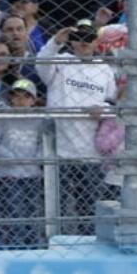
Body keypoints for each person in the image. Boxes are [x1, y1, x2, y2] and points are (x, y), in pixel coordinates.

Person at [36, 19, 117, 236]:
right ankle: (54, 243)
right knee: (55, 207)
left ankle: (89, 245)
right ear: (72, 41)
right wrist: (55, 41)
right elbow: (41, 65)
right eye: (79, 38)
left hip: (90, 151)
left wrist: (103, 110)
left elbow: (112, 104)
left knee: (88, 207)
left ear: (95, 42)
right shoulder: (60, 61)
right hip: (58, 150)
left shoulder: (104, 69)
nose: (83, 43)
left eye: (89, 38)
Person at [0, 78, 46, 246]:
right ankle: (16, 245)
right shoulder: (3, 118)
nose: (21, 101)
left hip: (32, 174)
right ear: (11, 99)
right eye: (16, 96)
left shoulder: (39, 120)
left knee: (33, 213)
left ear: (33, 100)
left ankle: (32, 245)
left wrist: (36, 159)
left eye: (26, 97)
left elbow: (43, 144)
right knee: (14, 212)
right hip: (9, 174)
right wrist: (11, 158)